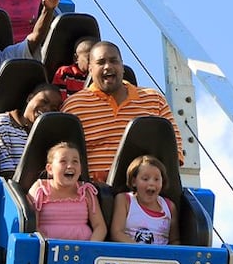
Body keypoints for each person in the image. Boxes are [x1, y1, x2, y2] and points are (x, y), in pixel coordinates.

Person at [62, 41, 183, 182]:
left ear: (122, 66)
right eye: (101, 62)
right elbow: (63, 155)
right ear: (90, 69)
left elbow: (174, 148)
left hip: (143, 190)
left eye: (114, 61)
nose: (108, 66)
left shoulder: (154, 99)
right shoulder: (74, 105)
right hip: (93, 193)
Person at [26, 141, 106, 241]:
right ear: (50, 169)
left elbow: (100, 226)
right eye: (63, 161)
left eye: (75, 161)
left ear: (81, 169)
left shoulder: (86, 190)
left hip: (83, 248)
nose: (70, 166)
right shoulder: (40, 189)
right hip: (48, 249)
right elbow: (33, 226)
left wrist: (90, 248)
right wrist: (48, 247)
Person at [0, 82, 61, 178]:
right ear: (29, 98)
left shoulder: (49, 137)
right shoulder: (2, 123)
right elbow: (6, 172)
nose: (47, 109)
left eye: (53, 109)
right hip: (13, 189)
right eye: (44, 102)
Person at [111, 155, 179, 245]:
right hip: (130, 256)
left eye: (156, 179)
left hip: (161, 257)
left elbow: (175, 240)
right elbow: (117, 233)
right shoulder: (124, 200)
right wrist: (141, 251)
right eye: (145, 179)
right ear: (134, 181)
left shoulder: (169, 207)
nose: (151, 183)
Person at [52, 36, 98, 100]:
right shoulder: (65, 72)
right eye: (89, 58)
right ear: (76, 58)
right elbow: (58, 99)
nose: (93, 63)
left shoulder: (99, 76)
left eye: (97, 60)